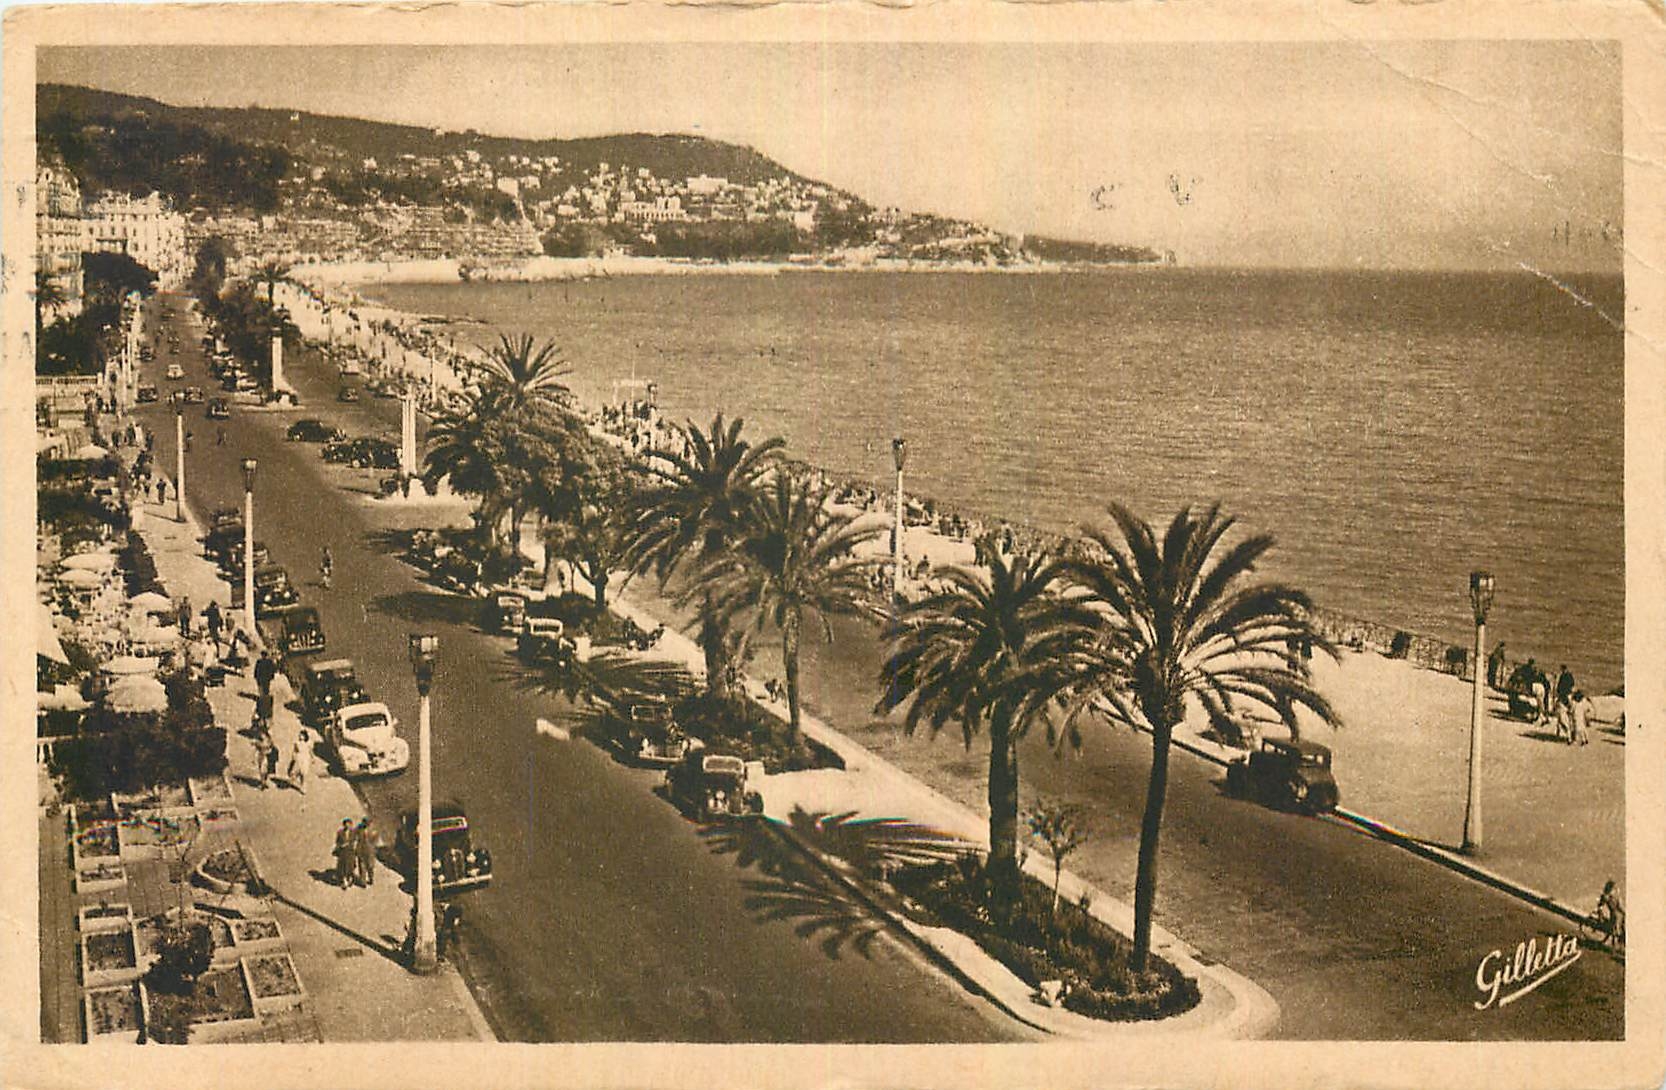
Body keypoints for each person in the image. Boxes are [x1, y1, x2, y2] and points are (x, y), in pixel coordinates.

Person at [1594, 881, 1625, 948]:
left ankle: (1614, 945)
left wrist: (1600, 914)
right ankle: (1617, 946)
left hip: (1613, 915)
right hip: (1618, 916)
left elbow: (1600, 905)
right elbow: (1620, 907)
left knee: (1614, 930)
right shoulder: (1615, 897)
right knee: (1619, 930)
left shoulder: (1606, 896)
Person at [353, 817, 379, 887]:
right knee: (362, 865)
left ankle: (371, 878)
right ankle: (363, 881)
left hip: (370, 851)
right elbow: (354, 835)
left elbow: (375, 840)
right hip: (361, 849)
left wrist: (373, 847)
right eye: (364, 822)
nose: (365, 824)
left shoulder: (374, 830)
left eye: (367, 823)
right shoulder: (359, 828)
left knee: (370, 866)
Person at [285, 729, 312, 794]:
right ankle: (293, 779)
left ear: (305, 736)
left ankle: (303, 787)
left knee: (303, 773)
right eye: (300, 735)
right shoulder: (297, 743)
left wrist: (312, 758)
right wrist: (293, 757)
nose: (300, 736)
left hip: (305, 759)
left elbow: (310, 751)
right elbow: (294, 751)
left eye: (302, 735)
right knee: (296, 771)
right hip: (299, 758)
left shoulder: (308, 744)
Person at [333, 819, 357, 886]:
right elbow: (337, 842)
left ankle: (349, 878)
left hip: (350, 852)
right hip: (343, 852)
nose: (347, 826)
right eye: (346, 825)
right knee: (343, 866)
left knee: (350, 866)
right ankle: (344, 880)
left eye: (349, 824)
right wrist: (340, 846)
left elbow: (355, 840)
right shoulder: (340, 832)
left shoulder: (353, 832)